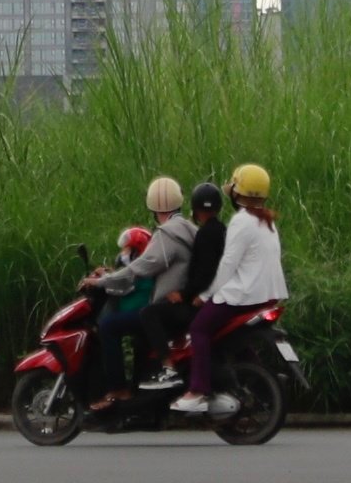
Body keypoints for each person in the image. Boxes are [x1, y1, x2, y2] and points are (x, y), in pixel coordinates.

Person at [169, 164, 288, 416]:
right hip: (268, 294)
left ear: (237, 192)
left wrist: (205, 295)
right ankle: (258, 385)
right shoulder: (267, 221)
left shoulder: (241, 221)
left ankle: (198, 391)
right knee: (231, 337)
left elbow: (228, 264)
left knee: (199, 329)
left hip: (243, 295)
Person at [79, 177, 189, 410]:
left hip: (164, 309)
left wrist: (100, 281)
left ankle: (119, 389)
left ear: (154, 207)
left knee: (108, 326)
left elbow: (138, 269)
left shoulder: (167, 233)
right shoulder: (189, 228)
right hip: (182, 303)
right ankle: (140, 384)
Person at [135, 181, 226, 392]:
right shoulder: (220, 231)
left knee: (149, 313)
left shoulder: (202, 234)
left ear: (194, 209)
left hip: (197, 301)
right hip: (213, 298)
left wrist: (185, 294)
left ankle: (169, 369)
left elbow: (205, 273)